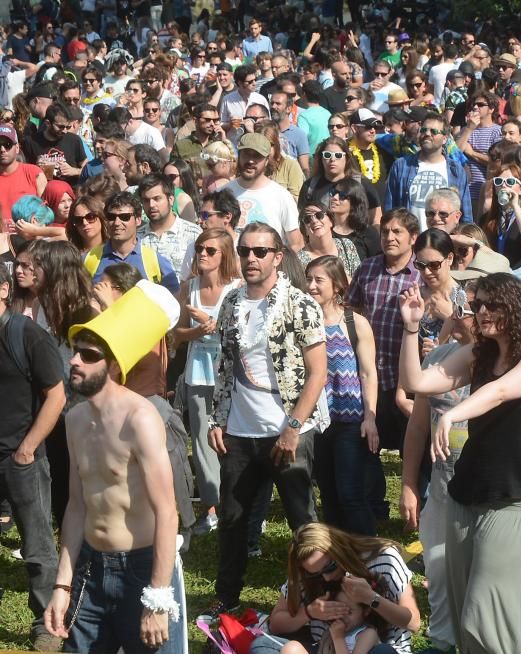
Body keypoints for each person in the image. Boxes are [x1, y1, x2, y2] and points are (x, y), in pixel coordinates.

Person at [397, 272, 521, 654]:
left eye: (491, 304)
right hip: (464, 495)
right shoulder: (478, 353)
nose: (482, 311)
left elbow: (501, 390)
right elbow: (418, 382)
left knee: (489, 616)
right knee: (462, 619)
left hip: (514, 500)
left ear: (515, 307)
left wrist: (454, 415)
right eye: (477, 304)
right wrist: (410, 329)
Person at [44, 281, 185, 653]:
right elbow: (76, 506)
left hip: (143, 569)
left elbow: (167, 513)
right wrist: (62, 585)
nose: (75, 361)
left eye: (88, 355)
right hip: (91, 568)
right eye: (76, 352)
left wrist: (156, 597)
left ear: (115, 366)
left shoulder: (141, 418)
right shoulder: (74, 419)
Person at [203, 222, 328, 619]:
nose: (251, 259)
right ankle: (228, 595)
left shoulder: (300, 302)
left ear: (278, 256)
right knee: (233, 521)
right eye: (244, 251)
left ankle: (318, 593)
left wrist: (292, 427)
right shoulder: (231, 301)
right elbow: (224, 367)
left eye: (260, 252)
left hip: (287, 431)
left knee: (302, 522)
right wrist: (215, 418)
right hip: (240, 430)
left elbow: (318, 373)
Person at [0, 264, 65, 652]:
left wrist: (28, 448)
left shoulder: (26, 335)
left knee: (38, 545)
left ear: (4, 289)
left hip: (21, 457)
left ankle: (48, 623)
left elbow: (56, 396)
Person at [344, 209, 420, 516]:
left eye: (397, 232)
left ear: (413, 238)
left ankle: (413, 506)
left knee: (409, 445)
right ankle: (375, 506)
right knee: (367, 443)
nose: (389, 237)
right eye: (386, 231)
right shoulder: (368, 268)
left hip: (406, 376)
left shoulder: (419, 274)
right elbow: (351, 307)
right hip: (371, 372)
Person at [248, 522, 420, 654]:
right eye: (315, 575)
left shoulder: (382, 558)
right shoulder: (305, 571)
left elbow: (413, 623)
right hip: (325, 648)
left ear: (339, 549)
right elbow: (275, 624)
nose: (327, 577)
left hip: (379, 649)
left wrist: (371, 599)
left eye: (330, 567)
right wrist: (308, 613)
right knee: (261, 645)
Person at [172, 228, 242, 537]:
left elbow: (246, 336)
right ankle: (212, 507)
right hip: (198, 373)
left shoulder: (238, 288)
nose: (203, 254)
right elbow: (175, 334)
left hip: (232, 376)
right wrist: (199, 331)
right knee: (201, 441)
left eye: (211, 250)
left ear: (225, 255)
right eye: (200, 248)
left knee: (235, 440)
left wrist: (214, 325)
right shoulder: (189, 288)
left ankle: (242, 502)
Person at [304, 256, 380, 537]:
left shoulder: (355, 323)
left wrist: (370, 417)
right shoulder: (303, 322)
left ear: (337, 285)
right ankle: (340, 561)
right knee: (329, 496)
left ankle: (370, 557)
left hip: (349, 420)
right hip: (318, 420)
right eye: (308, 279)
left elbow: (368, 373)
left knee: (351, 494)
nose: (311, 286)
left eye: (318, 280)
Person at [384, 112, 473, 227]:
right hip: (410, 241)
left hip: (444, 242)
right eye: (423, 130)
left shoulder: (456, 170)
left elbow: (466, 214)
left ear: (445, 138)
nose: (427, 134)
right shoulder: (401, 166)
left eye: (434, 131)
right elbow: (389, 209)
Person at [83, 190, 180, 293]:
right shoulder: (88, 260)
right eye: (111, 217)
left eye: (124, 217)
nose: (117, 223)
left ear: (138, 220)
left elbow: (173, 301)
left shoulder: (155, 262)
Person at [224, 133, 304, 250]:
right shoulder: (222, 193)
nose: (250, 160)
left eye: (257, 156)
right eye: (246, 154)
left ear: (266, 160)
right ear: (239, 156)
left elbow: (296, 244)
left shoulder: (282, 196)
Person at [479, 164, 521, 297]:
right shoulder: (489, 217)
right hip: (498, 277)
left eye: (510, 182)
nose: (504, 185)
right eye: (499, 181)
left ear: (520, 189)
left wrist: (515, 206)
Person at [300, 136, 383, 227]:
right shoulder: (310, 185)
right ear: (321, 158)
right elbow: (302, 219)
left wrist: (372, 238)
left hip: (357, 239)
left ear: (346, 158)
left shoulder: (361, 184)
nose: (332, 160)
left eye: (338, 155)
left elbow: (376, 220)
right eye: (327, 155)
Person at [138, 172, 204, 275]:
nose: (151, 205)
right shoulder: (137, 238)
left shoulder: (193, 234)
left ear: (171, 200)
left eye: (157, 199)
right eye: (146, 200)